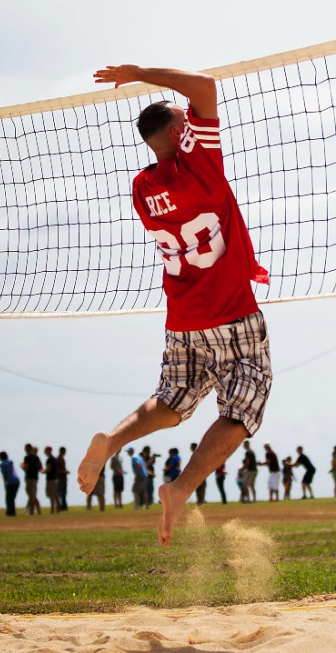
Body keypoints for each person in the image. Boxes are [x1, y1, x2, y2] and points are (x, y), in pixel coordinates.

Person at [77, 65, 272, 546]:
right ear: (175, 133)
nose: (190, 115)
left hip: (183, 318)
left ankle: (112, 440)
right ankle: (182, 487)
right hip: (231, 312)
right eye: (182, 118)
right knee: (244, 410)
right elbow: (204, 87)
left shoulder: (143, 190)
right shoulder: (202, 166)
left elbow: (185, 113)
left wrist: (172, 117)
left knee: (171, 400)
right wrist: (139, 73)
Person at [22, 444, 43, 515]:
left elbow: (26, 468)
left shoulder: (27, 457)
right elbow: (40, 467)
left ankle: (32, 510)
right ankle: (35, 510)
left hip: (29, 477)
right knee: (33, 494)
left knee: (31, 494)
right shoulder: (36, 457)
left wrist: (22, 466)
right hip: (35, 478)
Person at [0, 451, 20, 516]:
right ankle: (12, 512)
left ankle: (10, 512)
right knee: (12, 498)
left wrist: (5, 483)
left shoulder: (2, 464)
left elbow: (5, 475)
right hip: (16, 480)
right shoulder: (10, 462)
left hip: (11, 482)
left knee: (9, 498)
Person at [43, 446, 59, 514]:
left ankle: (52, 510)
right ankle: (58, 509)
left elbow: (48, 469)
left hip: (50, 480)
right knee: (55, 494)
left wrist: (43, 471)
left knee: (51, 495)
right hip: (55, 479)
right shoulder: (54, 459)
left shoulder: (49, 459)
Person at [56, 447, 70, 512]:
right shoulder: (58, 459)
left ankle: (63, 506)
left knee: (63, 493)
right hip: (60, 478)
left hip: (63, 478)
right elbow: (56, 470)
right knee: (60, 492)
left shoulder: (62, 459)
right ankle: (61, 506)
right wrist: (63, 472)